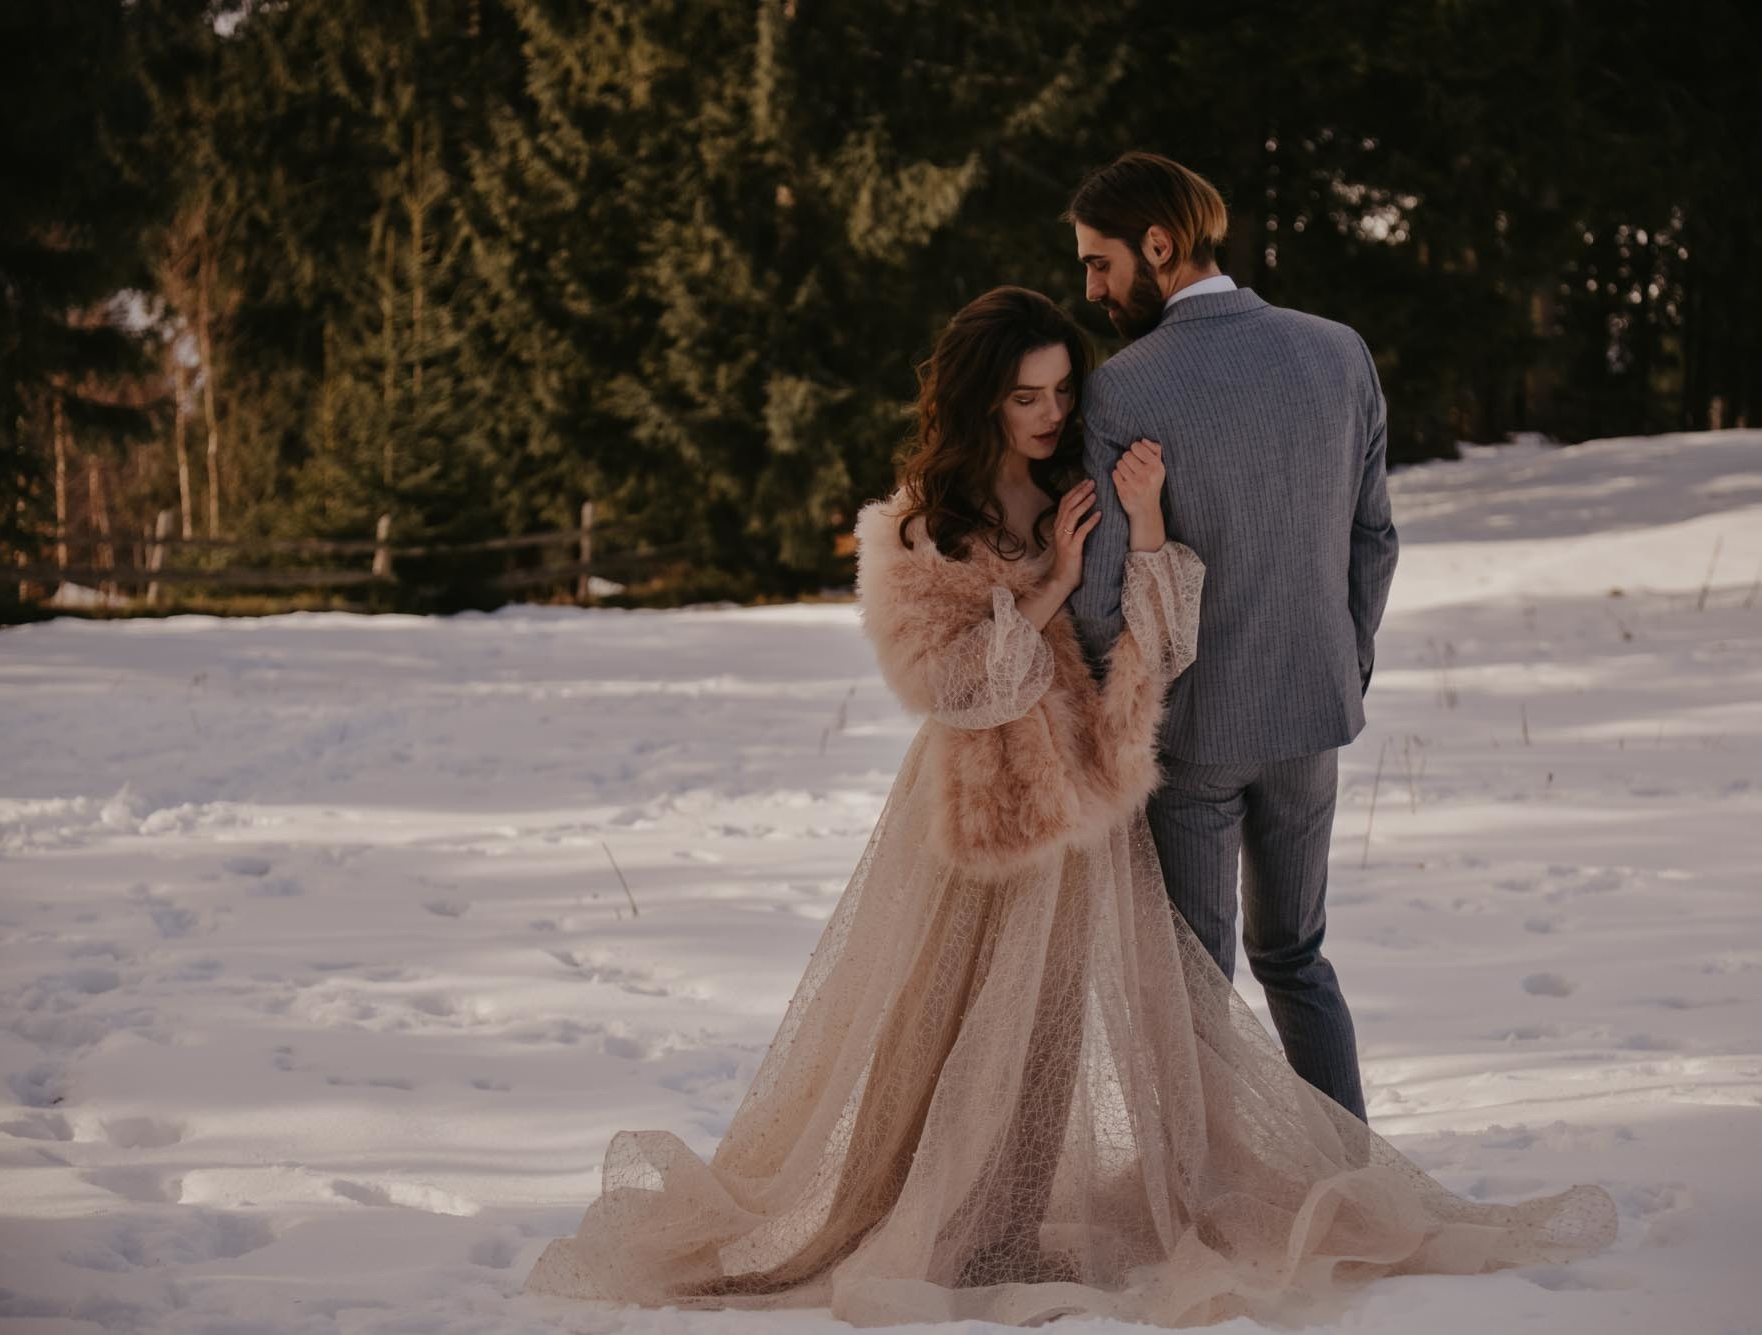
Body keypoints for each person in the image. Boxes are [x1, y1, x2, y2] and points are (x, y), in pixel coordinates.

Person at [522, 286, 1614, 1326]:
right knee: (942, 1021)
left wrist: (1140, 529)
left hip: (1086, 808)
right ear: (977, 398)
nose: (1049, 416)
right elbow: (955, 689)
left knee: (1051, 1027)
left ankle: (1014, 1221)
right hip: (976, 816)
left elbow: (1161, 649)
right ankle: (924, 1220)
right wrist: (1043, 586)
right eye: (1024, 396)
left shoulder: (1076, 489)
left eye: (1058, 393)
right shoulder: (916, 523)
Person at [1069, 151, 1396, 1122]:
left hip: (1190, 730)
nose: (1088, 287)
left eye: (1098, 263)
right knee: (1296, 957)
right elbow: (1371, 537)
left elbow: (1099, 595)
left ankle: (1197, 1212)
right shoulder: (1339, 351)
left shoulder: (1120, 388)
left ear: (1158, 246)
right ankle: (1350, 1187)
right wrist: (1345, 665)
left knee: (1191, 985)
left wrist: (1110, 716)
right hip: (1312, 714)